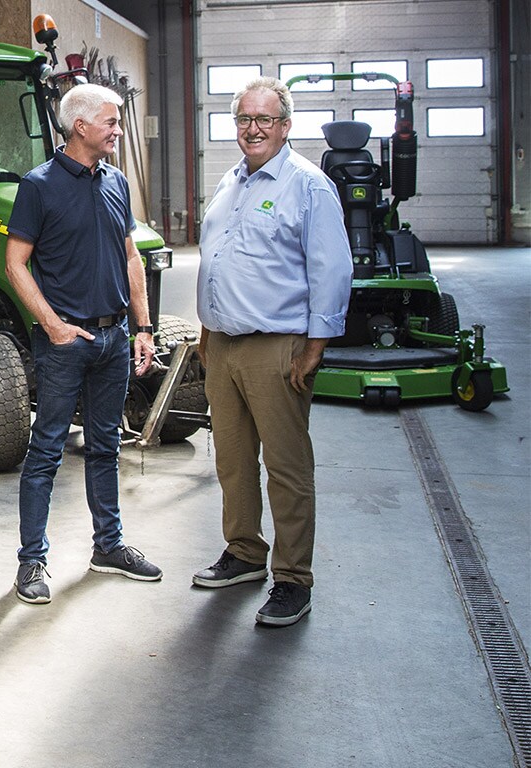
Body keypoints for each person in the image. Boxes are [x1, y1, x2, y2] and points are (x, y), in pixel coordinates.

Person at [193, 77, 351, 627]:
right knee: (232, 462)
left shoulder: (308, 185)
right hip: (225, 345)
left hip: (276, 345)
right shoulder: (230, 183)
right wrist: (208, 333)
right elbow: (218, 262)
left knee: (285, 467)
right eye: (243, 120)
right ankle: (243, 553)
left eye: (264, 120)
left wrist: (315, 346)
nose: (252, 130)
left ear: (286, 126)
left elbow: (331, 269)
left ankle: (292, 578)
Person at [6, 83, 161, 605]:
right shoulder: (39, 185)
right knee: (47, 449)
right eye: (112, 122)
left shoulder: (116, 181)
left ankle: (108, 546)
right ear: (80, 127)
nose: (118, 130)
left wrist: (142, 327)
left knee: (106, 447)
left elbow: (132, 257)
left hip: (115, 336)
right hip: (66, 340)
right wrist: (52, 325)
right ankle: (32, 562)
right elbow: (15, 263)